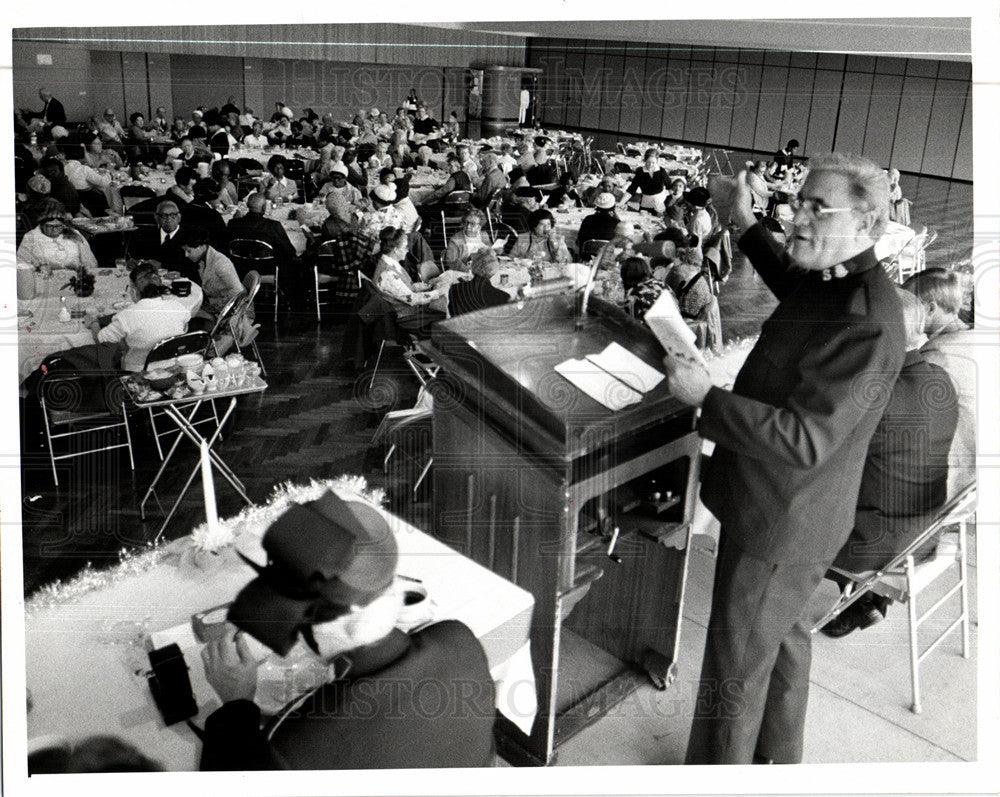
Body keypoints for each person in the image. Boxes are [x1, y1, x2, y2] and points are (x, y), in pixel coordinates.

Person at [667, 153, 906, 765]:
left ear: (867, 220)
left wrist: (707, 399)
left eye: (814, 208)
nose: (795, 215)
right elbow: (791, 279)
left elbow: (805, 438)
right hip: (804, 518)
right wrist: (743, 220)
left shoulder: (867, 321)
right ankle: (777, 762)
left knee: (736, 664)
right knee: (781, 644)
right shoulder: (840, 281)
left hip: (780, 520)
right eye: (796, 201)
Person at [820, 288, 959, 637]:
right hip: (922, 531)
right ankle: (867, 602)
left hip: (875, 544)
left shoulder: (878, 395)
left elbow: (818, 459)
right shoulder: (939, 378)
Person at [902, 268, 976, 500]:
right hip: (977, 478)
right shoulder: (972, 339)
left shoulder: (937, 355)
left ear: (930, 309)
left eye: (908, 307)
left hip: (951, 480)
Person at [91, 262, 202, 372]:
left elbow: (101, 339)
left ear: (134, 290)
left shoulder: (126, 316)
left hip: (140, 373)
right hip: (173, 367)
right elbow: (183, 328)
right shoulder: (178, 307)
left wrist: (93, 323)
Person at [372, 228, 447, 333]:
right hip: (407, 318)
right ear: (396, 249)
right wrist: (438, 292)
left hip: (410, 311)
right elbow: (412, 299)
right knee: (448, 317)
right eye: (405, 247)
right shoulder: (387, 273)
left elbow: (403, 289)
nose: (408, 250)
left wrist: (426, 285)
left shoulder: (391, 263)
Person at [180, 228, 243, 319]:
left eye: (189, 251)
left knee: (186, 313)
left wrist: (215, 306)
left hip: (232, 310)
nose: (186, 255)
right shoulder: (203, 258)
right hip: (215, 303)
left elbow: (238, 291)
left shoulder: (220, 263)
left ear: (201, 246)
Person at [226, 192, 298, 266]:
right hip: (266, 270)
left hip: (239, 267)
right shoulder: (273, 226)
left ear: (247, 205)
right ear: (264, 207)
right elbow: (290, 251)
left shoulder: (233, 223)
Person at [16, 210, 98, 271]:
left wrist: (82, 267)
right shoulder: (31, 237)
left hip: (74, 278)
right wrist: (38, 268)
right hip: (44, 280)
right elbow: (21, 265)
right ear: (42, 225)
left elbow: (90, 262)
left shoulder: (74, 234)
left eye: (58, 226)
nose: (54, 230)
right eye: (50, 226)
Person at [448, 247, 510, 317]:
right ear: (494, 270)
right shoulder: (502, 297)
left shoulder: (454, 289)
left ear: (473, 266)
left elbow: (453, 317)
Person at [442, 208, 497, 273]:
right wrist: (469, 271)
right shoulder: (455, 240)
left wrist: (496, 250)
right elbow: (451, 262)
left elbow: (490, 254)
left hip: (484, 269)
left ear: (480, 226)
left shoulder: (484, 235)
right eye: (467, 222)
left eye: (472, 224)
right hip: (464, 272)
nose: (468, 226)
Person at [620, 148, 670, 213]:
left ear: (657, 161)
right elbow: (631, 189)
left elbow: (669, 187)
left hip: (660, 204)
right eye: (648, 162)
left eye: (653, 163)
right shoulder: (640, 172)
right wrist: (621, 202)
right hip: (646, 204)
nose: (650, 165)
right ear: (645, 160)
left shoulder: (661, 171)